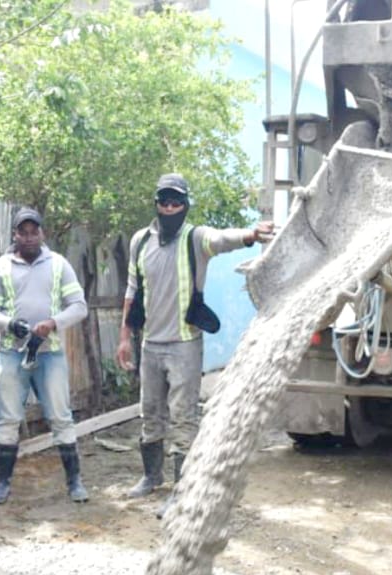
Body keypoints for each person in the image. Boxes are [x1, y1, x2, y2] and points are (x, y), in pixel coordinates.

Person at [116, 174, 274, 498]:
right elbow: (132, 289)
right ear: (156, 203)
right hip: (150, 344)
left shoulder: (195, 238)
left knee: (183, 418)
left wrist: (251, 235)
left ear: (185, 205)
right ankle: (151, 477)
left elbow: (222, 239)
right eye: (164, 201)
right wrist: (124, 337)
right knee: (150, 413)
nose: (169, 207)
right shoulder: (140, 242)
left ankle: (182, 489)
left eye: (176, 202)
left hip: (184, 345)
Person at [0, 206, 89, 505]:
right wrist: (9, 324)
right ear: (14, 235)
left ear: (42, 233)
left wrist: (53, 323)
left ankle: (75, 481)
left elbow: (79, 306)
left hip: (49, 352)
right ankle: (2, 483)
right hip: (11, 353)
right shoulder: (0, 268)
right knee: (7, 418)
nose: (29, 237)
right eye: (23, 232)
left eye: (34, 232)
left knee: (60, 416)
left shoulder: (58, 265)